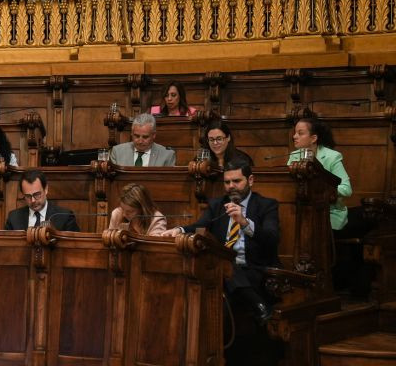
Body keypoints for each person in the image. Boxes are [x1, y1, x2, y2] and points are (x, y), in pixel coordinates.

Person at [162, 160, 279, 322]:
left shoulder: (266, 205)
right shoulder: (217, 204)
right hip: (222, 270)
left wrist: (244, 222)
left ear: (250, 180)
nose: (231, 186)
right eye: (227, 182)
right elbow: (200, 226)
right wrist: (178, 230)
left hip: (252, 269)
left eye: (236, 181)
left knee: (223, 295)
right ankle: (257, 302)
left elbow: (271, 239)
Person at [287, 118, 352, 234]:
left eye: (300, 133)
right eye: (295, 133)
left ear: (313, 138)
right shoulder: (294, 156)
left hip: (328, 213)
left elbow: (347, 189)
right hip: (302, 212)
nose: (294, 136)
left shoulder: (332, 157)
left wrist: (323, 190)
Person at [4, 170, 80, 231]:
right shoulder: (14, 218)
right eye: (28, 196)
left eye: (37, 194)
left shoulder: (65, 217)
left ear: (46, 189)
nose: (33, 200)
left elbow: (74, 247)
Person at [109, 113, 176, 167]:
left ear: (154, 135)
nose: (140, 141)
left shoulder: (167, 155)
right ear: (131, 133)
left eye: (145, 137)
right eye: (137, 136)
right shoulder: (117, 152)